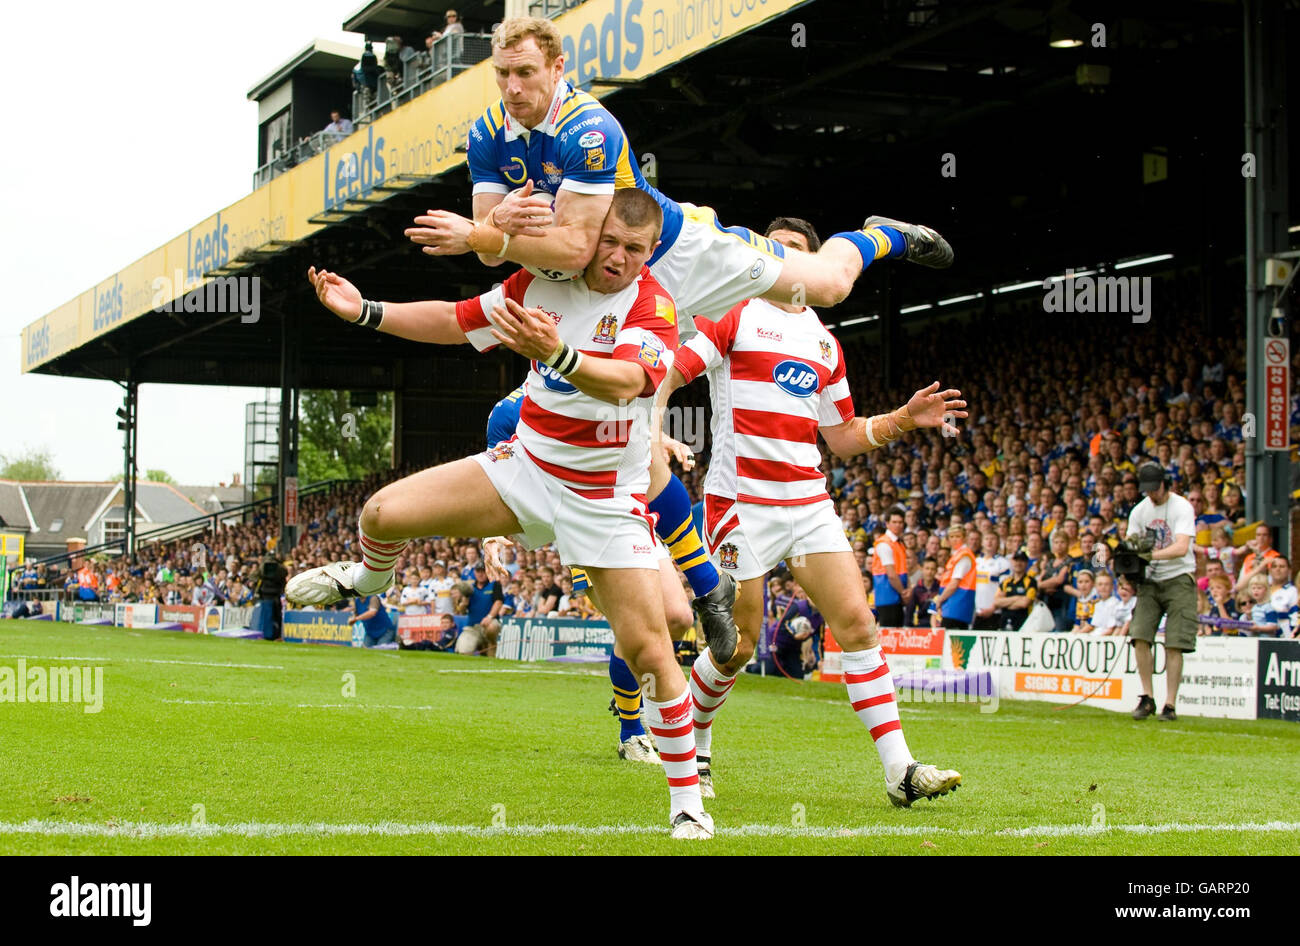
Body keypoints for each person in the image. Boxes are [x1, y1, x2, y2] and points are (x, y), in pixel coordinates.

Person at [290, 190, 713, 839]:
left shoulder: (652, 305)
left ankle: (688, 807)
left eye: (635, 249)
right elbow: (457, 320)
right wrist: (365, 311)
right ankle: (365, 583)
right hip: (527, 468)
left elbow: (629, 381)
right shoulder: (543, 280)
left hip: (603, 498)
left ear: (650, 252)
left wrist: (560, 356)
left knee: (654, 649)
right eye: (610, 244)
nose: (619, 259)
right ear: (590, 236)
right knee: (380, 512)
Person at [660, 217, 964, 809]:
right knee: (737, 647)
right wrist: (650, 431)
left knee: (858, 625)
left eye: (796, 252)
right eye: (776, 251)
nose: (786, 261)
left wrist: (901, 418)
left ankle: (900, 772)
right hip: (740, 504)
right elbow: (671, 371)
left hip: (807, 501)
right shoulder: (735, 311)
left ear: (815, 261)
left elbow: (844, 436)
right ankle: (694, 742)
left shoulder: (825, 342)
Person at [407, 16, 952, 328]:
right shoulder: (484, 134)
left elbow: (569, 247)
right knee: (625, 426)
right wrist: (493, 232)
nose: (512, 88)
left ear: (557, 68)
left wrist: (491, 230)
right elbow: (486, 252)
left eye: (525, 72)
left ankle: (886, 235)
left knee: (826, 288)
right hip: (611, 282)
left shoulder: (589, 129)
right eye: (501, 74)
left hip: (678, 252)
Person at [1126, 462, 1198, 722]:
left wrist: (1150, 554)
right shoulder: (1139, 511)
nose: (1150, 495)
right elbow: (1131, 546)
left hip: (1179, 577)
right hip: (1150, 580)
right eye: (1146, 490)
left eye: (1154, 489)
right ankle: (1147, 697)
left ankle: (1170, 703)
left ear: (1164, 484)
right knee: (1140, 635)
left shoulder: (1182, 506)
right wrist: (1130, 567)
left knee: (1175, 642)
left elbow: (1181, 547)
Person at [929, 521, 976, 629]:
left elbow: (955, 583)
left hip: (958, 603)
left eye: (958, 536)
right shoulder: (956, 555)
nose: (954, 539)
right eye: (952, 536)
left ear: (964, 538)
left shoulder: (964, 556)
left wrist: (940, 600)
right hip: (951, 604)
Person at [871, 508, 910, 627]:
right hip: (887, 597)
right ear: (887, 523)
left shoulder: (898, 543)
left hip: (896, 596)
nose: (898, 525)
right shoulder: (884, 544)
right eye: (894, 522)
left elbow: (903, 570)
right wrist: (904, 592)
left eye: (900, 522)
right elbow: (891, 574)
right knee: (889, 634)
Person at [992, 551, 1037, 630]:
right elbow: (997, 602)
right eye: (1016, 560)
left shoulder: (1031, 582)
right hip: (1005, 622)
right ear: (1012, 562)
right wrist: (1017, 598)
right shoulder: (1006, 582)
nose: (1018, 563)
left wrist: (1005, 603)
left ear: (1026, 563)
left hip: (1024, 624)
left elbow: (1024, 603)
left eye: (1022, 561)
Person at [255, 554, 288, 641]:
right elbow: (285, 574)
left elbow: (256, 575)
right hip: (274, 595)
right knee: (276, 616)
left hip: (268, 595)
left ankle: (270, 635)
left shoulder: (264, 567)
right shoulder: (281, 569)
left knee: (268, 617)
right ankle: (276, 635)